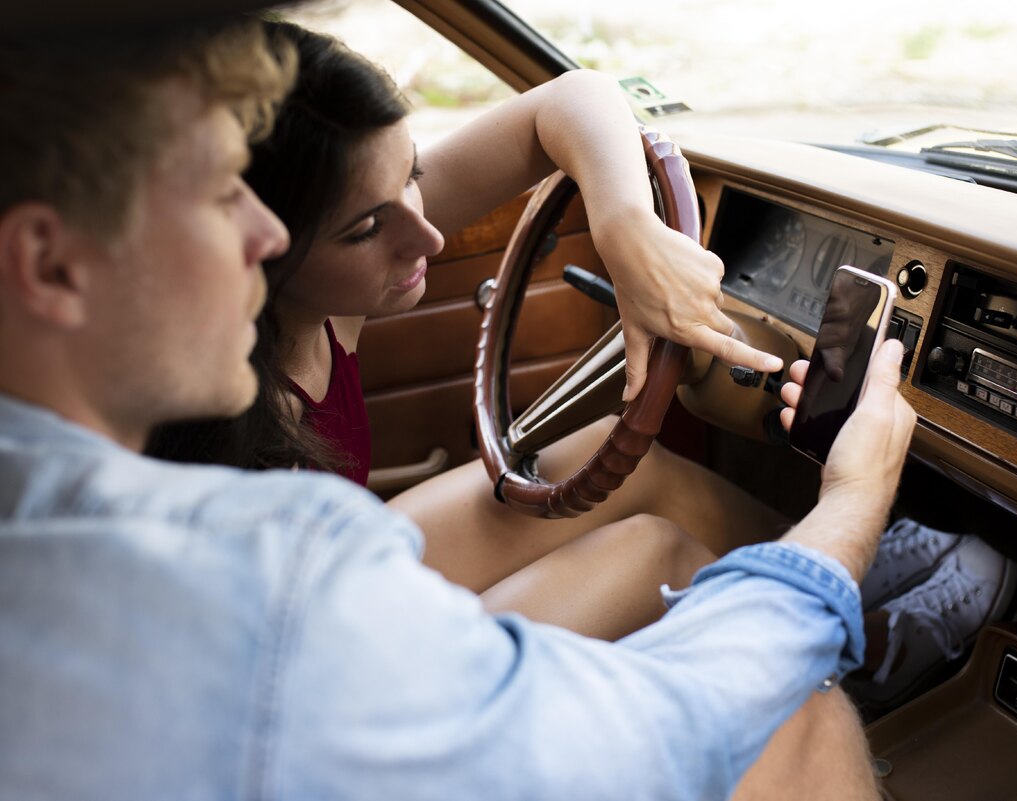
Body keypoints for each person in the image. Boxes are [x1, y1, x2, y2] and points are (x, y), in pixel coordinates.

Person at [0, 15, 915, 801]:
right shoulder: (271, 561)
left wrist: (628, 230)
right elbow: (658, 734)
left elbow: (570, 98)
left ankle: (880, 599)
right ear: (50, 265)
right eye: (215, 194)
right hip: (324, 683)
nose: (262, 234)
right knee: (792, 703)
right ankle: (865, 606)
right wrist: (850, 505)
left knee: (617, 479)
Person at [146, 20, 792, 641]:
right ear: (255, 248)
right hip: (320, 657)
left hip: (339, 571)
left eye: (412, 178)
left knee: (632, 466)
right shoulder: (223, 447)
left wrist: (623, 227)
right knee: (657, 553)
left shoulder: (319, 300)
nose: (426, 237)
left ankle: (864, 597)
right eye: (365, 229)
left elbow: (573, 96)